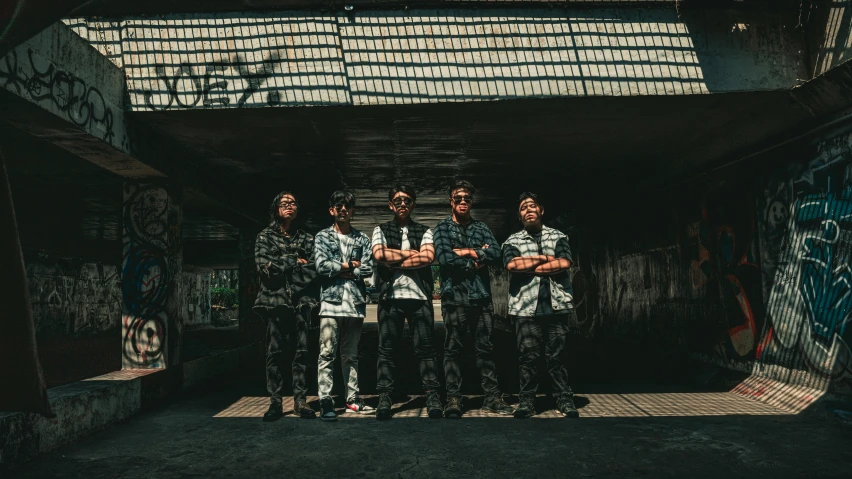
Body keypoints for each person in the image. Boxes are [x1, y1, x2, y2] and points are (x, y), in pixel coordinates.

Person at [432, 179, 514, 418]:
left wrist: (466, 251)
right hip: (454, 298)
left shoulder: (481, 227)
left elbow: (497, 253)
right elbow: (445, 258)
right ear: (451, 201)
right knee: (453, 350)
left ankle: (492, 398)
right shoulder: (442, 229)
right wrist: (477, 258)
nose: (463, 202)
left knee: (485, 349)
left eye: (467, 198)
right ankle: (454, 399)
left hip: (481, 298)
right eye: (458, 198)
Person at [502, 192, 579, 419]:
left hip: (557, 306)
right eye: (523, 207)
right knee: (528, 357)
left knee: (558, 357)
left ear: (541, 210)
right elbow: (512, 265)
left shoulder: (558, 237)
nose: (528, 210)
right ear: (519, 215)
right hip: (525, 309)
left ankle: (564, 401)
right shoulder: (512, 241)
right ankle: (527, 402)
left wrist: (530, 266)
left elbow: (564, 263)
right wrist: (546, 259)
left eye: (532, 206)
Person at [371, 185, 443, 420]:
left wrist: (394, 258)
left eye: (407, 201)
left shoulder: (425, 230)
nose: (403, 204)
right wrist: (413, 255)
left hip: (420, 298)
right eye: (398, 201)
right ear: (391, 205)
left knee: (426, 350)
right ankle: (385, 397)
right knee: (386, 350)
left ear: (413, 205)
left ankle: (432, 396)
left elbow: (429, 258)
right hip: (389, 298)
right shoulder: (380, 229)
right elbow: (379, 256)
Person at [254, 191, 319, 422]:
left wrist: (284, 264)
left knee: (301, 353)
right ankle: (275, 403)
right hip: (274, 303)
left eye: (293, 203)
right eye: (284, 203)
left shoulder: (307, 239)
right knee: (275, 354)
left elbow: (313, 270)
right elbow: (265, 267)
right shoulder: (265, 237)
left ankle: (300, 402)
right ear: (276, 209)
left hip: (301, 303)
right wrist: (294, 261)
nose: (289, 206)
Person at [314, 190, 375, 421]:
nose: (343, 209)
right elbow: (321, 267)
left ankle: (352, 398)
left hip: (355, 305)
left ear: (353, 210)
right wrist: (351, 266)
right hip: (330, 303)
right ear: (332, 210)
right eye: (338, 205)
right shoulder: (322, 237)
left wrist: (341, 269)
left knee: (351, 354)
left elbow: (368, 269)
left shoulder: (362, 239)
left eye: (347, 205)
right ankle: (326, 400)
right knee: (326, 353)